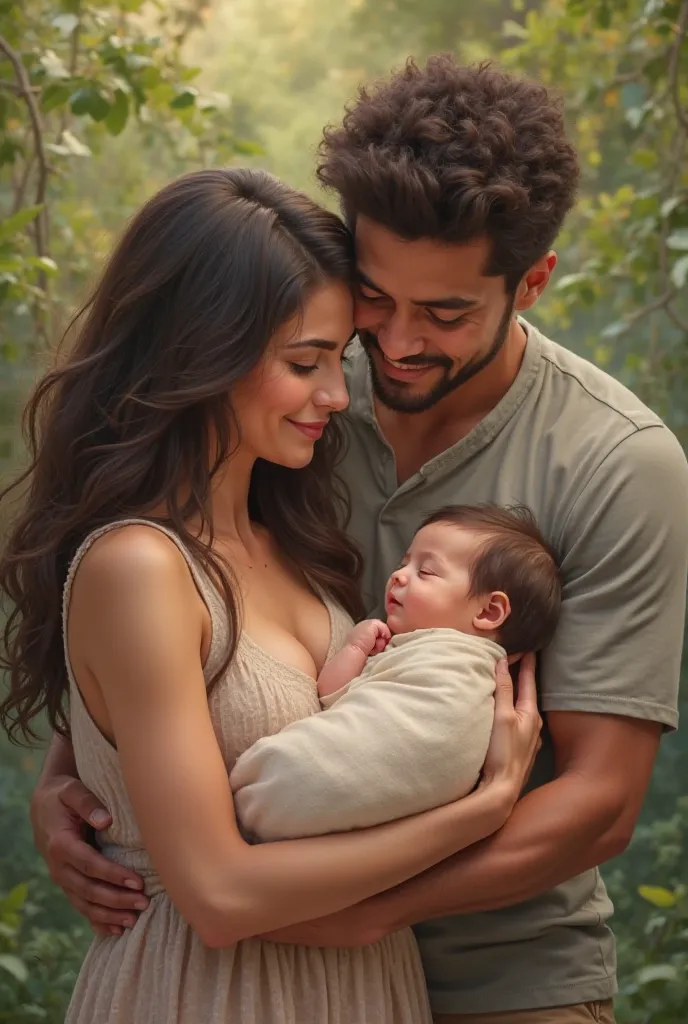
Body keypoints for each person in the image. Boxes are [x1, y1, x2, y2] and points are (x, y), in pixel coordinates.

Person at [25, 56, 688, 1024]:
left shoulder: (614, 461)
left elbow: (598, 801)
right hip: (252, 963)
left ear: (533, 281)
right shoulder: (295, 408)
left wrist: (368, 910)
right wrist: (76, 776)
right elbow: (183, 622)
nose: (396, 345)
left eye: (447, 312)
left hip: (504, 976)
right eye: (375, 300)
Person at [0, 167, 541, 1024]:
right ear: (200, 351)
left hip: (367, 993)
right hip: (209, 993)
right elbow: (217, 893)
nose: (337, 394)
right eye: (304, 362)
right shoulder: (140, 566)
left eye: (339, 358)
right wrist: (485, 809)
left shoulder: (293, 540)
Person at [231, 504, 562, 841]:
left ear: (489, 611)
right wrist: (358, 651)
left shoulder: (449, 661)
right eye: (404, 563)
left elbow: (328, 695)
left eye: (426, 572)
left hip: (283, 787)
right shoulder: (472, 677)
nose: (399, 576)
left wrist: (356, 651)